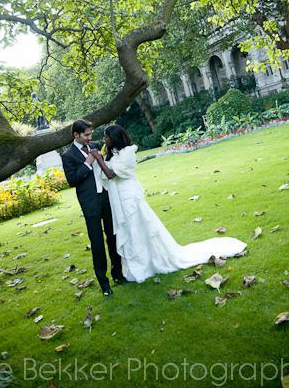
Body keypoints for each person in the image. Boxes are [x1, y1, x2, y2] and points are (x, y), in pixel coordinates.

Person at [92, 124, 248, 283]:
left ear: (115, 137)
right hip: (119, 199)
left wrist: (98, 158)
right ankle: (138, 263)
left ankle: (147, 263)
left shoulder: (128, 153)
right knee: (132, 232)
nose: (105, 139)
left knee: (137, 229)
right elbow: (106, 173)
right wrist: (100, 159)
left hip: (129, 198)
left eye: (107, 136)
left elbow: (111, 174)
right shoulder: (114, 154)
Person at [61, 119, 126, 296]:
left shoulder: (97, 145)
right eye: (87, 135)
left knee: (113, 237)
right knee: (97, 243)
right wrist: (87, 163)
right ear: (76, 135)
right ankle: (104, 283)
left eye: (91, 134)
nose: (91, 137)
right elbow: (72, 180)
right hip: (90, 203)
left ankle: (118, 273)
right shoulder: (68, 156)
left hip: (106, 197)